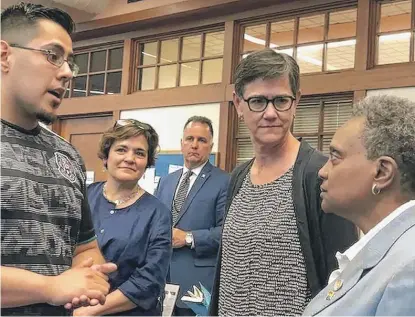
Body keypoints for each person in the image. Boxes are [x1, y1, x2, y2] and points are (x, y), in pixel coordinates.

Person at [209, 49, 358, 316]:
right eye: (257, 101)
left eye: (280, 100)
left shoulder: (321, 175)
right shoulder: (238, 178)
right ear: (238, 104)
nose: (270, 113)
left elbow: (344, 279)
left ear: (296, 101)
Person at [0, 2, 116, 316]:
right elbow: (57, 286)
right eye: (52, 56)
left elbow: (85, 247)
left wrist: (88, 275)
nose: (66, 73)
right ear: (4, 55)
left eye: (69, 62)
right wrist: (51, 287)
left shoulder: (67, 155)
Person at [302, 95, 415, 315]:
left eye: (335, 157)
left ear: (382, 172)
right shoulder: (384, 253)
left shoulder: (408, 269)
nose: (322, 172)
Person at [73, 119, 172, 316]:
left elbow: (150, 281)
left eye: (140, 153)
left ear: (147, 163)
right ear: (106, 157)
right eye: (121, 150)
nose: (130, 158)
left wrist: (90, 312)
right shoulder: (81, 197)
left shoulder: (158, 214)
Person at [155, 116, 230, 316]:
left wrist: (188, 238)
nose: (194, 145)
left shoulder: (224, 182)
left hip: (197, 286)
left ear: (210, 146)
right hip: (160, 282)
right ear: (181, 144)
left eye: (202, 140)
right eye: (189, 139)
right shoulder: (166, 182)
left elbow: (228, 232)